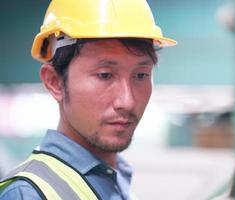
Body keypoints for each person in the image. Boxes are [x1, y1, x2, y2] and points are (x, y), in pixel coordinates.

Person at [0, 0, 176, 199]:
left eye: (141, 75)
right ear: (55, 82)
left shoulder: (116, 184)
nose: (127, 102)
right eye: (105, 75)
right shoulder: (29, 194)